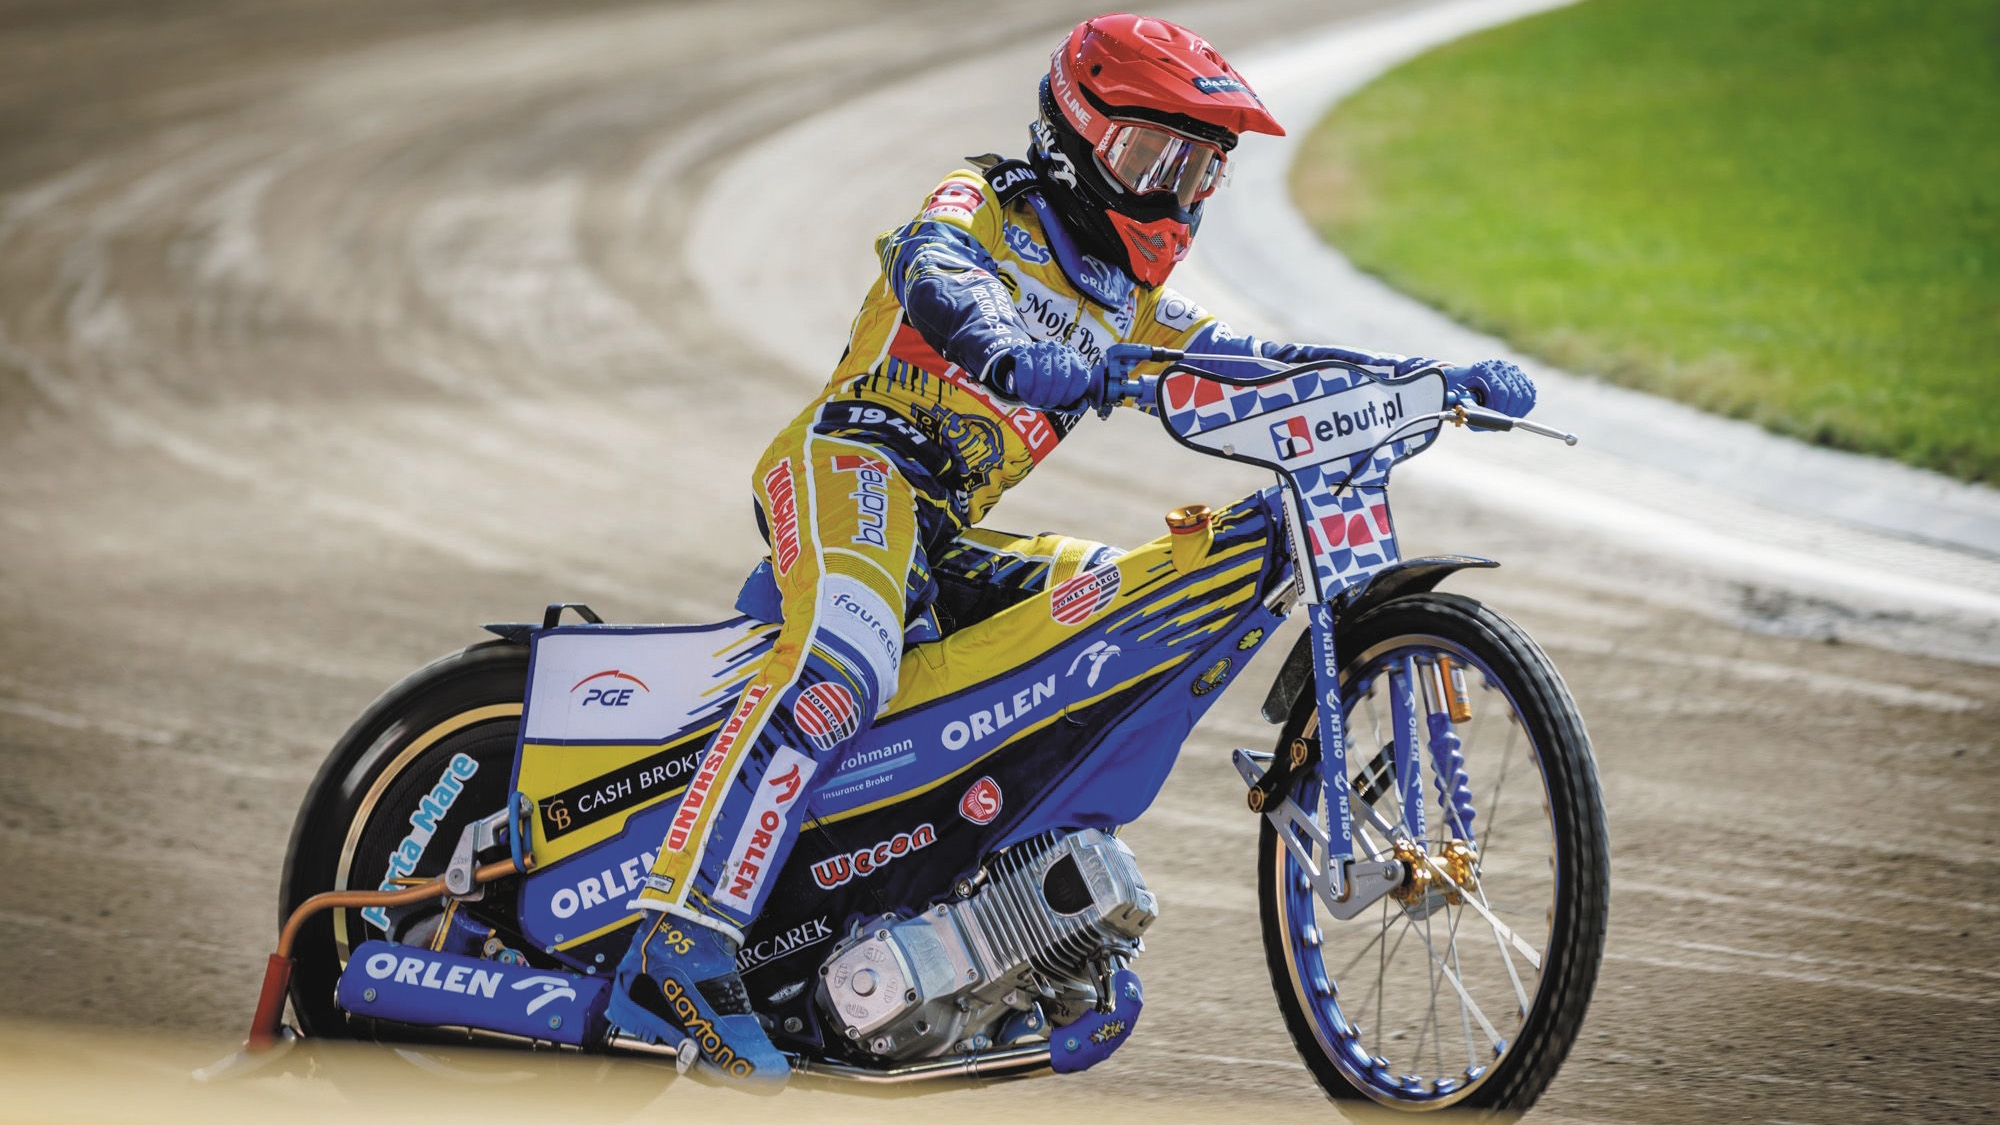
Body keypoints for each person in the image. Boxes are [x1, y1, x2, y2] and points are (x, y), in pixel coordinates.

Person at [602, 12, 1538, 1086]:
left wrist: (1423, 378)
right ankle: (680, 935)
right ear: (1073, 135)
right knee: (844, 663)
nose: (1170, 196)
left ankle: (1011, 916)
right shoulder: (984, 199)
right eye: (1149, 159)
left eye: (1196, 171)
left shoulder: (1131, 298)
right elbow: (933, 267)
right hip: (849, 470)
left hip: (938, 532)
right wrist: (1007, 346)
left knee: (1119, 611)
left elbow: (1255, 364)